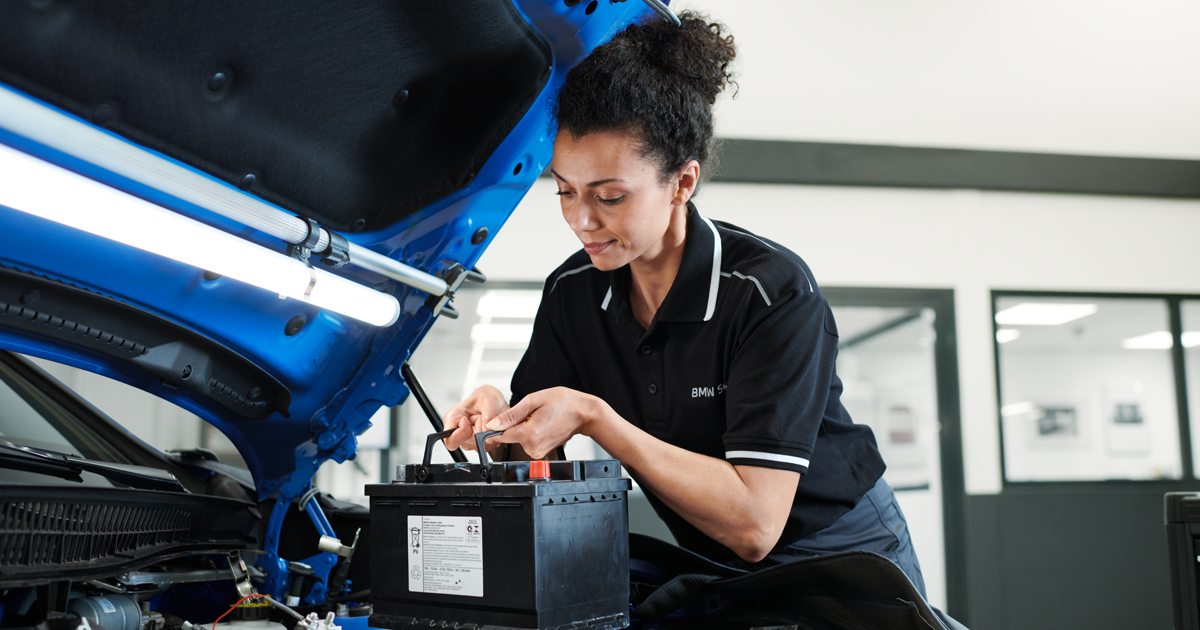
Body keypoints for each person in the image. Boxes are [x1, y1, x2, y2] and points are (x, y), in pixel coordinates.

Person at [442, 10, 926, 597]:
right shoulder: (572, 292)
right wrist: (498, 419)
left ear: (682, 183)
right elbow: (535, 445)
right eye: (565, 192)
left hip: (840, 547)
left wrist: (598, 418)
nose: (581, 220)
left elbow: (755, 524)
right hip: (708, 550)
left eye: (611, 196)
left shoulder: (770, 292)